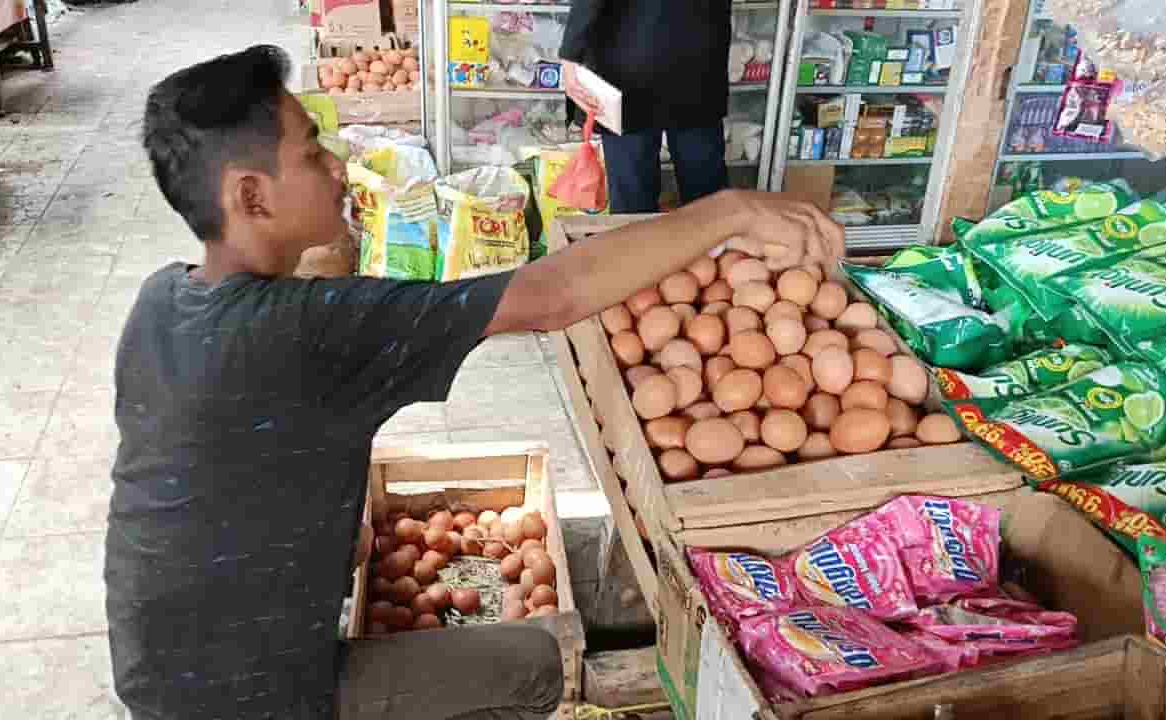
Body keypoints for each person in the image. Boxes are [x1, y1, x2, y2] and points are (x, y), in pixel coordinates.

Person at [106, 44, 842, 720]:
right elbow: (547, 298)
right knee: (536, 662)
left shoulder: (163, 300)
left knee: (363, 548)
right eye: (312, 152)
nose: (337, 166)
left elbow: (231, 451)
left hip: (159, 671)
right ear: (251, 197)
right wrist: (729, 209)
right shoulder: (304, 329)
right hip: (256, 700)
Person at [560, 0, 735, 214]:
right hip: (697, 57)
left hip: (627, 59)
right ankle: (710, 244)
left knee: (632, 197)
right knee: (706, 192)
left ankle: (639, 245)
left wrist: (570, 54)